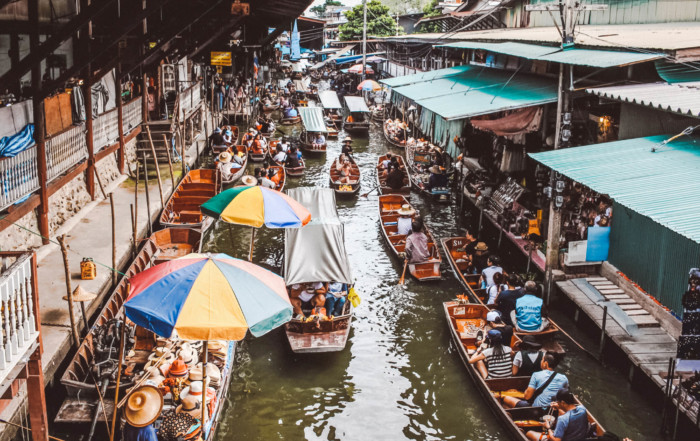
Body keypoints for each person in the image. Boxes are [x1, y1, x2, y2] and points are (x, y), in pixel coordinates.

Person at [503, 352, 569, 409]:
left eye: (542, 360)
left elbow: (527, 397)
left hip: (536, 410)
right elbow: (564, 394)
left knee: (506, 398)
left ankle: (515, 415)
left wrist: (527, 391)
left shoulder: (536, 375)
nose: (541, 361)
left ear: (545, 363)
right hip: (553, 409)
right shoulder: (564, 378)